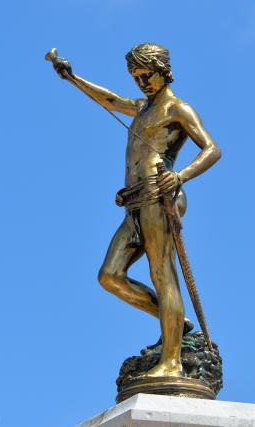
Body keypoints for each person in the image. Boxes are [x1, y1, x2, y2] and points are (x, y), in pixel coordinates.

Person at [50, 43, 221, 377]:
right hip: (135, 201)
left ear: (162, 70)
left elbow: (212, 149)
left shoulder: (178, 109)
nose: (141, 82)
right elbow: (110, 100)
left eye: (147, 75)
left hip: (161, 196)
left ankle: (171, 362)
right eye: (136, 77)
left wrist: (180, 175)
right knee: (110, 276)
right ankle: (174, 321)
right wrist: (73, 78)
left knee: (162, 273)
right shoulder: (143, 108)